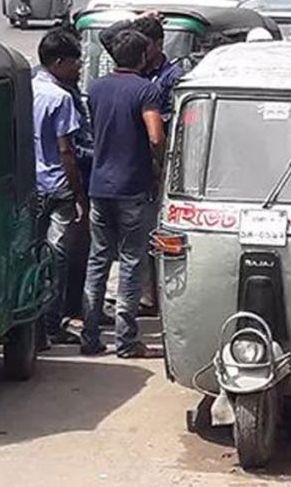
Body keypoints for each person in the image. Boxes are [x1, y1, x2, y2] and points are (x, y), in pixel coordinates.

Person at [81, 29, 166, 358]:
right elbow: (156, 137)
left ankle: (90, 336)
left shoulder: (96, 88)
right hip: (132, 187)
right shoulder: (147, 90)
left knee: (98, 259)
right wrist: (159, 164)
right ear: (143, 57)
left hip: (99, 187)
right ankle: (127, 341)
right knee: (132, 261)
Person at [32, 30, 87, 347]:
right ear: (59, 62)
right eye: (75, 61)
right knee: (57, 259)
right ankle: (52, 325)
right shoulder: (61, 98)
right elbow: (66, 149)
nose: (79, 67)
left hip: (32, 186)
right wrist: (78, 193)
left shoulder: (28, 89)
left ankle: (33, 323)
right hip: (58, 187)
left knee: (33, 256)